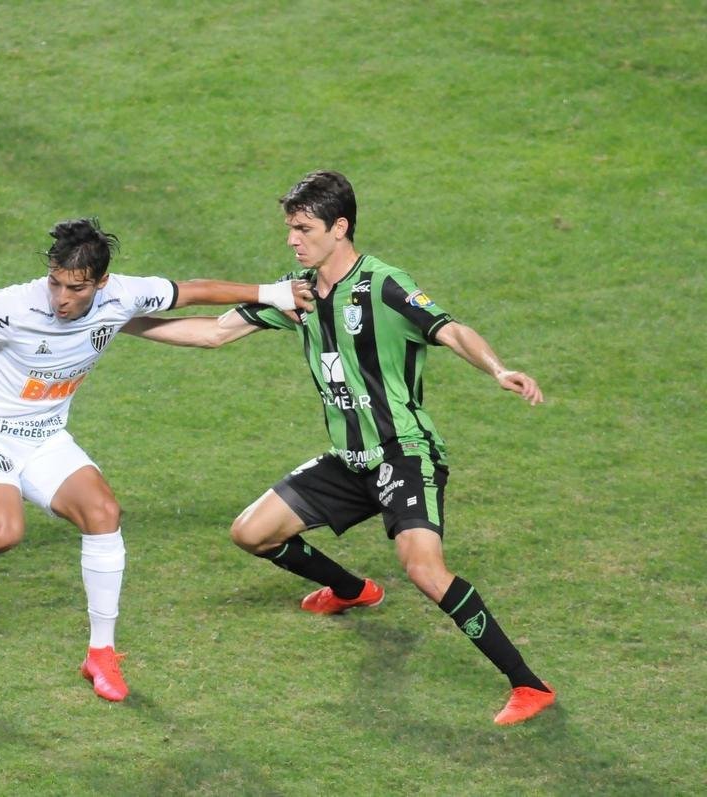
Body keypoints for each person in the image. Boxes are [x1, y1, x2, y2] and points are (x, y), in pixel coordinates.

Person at [0, 218, 314, 702]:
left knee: (103, 514)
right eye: (56, 284)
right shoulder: (17, 305)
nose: (63, 299)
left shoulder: (123, 295)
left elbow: (194, 291)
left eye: (76, 288)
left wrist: (272, 293)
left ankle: (101, 655)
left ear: (101, 282)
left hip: (44, 437)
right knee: (3, 533)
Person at [124, 171, 556, 725]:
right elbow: (212, 332)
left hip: (403, 453)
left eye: (303, 229)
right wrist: (122, 322)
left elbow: (450, 329)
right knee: (251, 533)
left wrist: (498, 367)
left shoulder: (383, 283)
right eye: (290, 228)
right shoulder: (296, 292)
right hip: (348, 462)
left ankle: (529, 684)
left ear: (340, 227)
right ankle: (353, 590)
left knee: (424, 569)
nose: (292, 240)